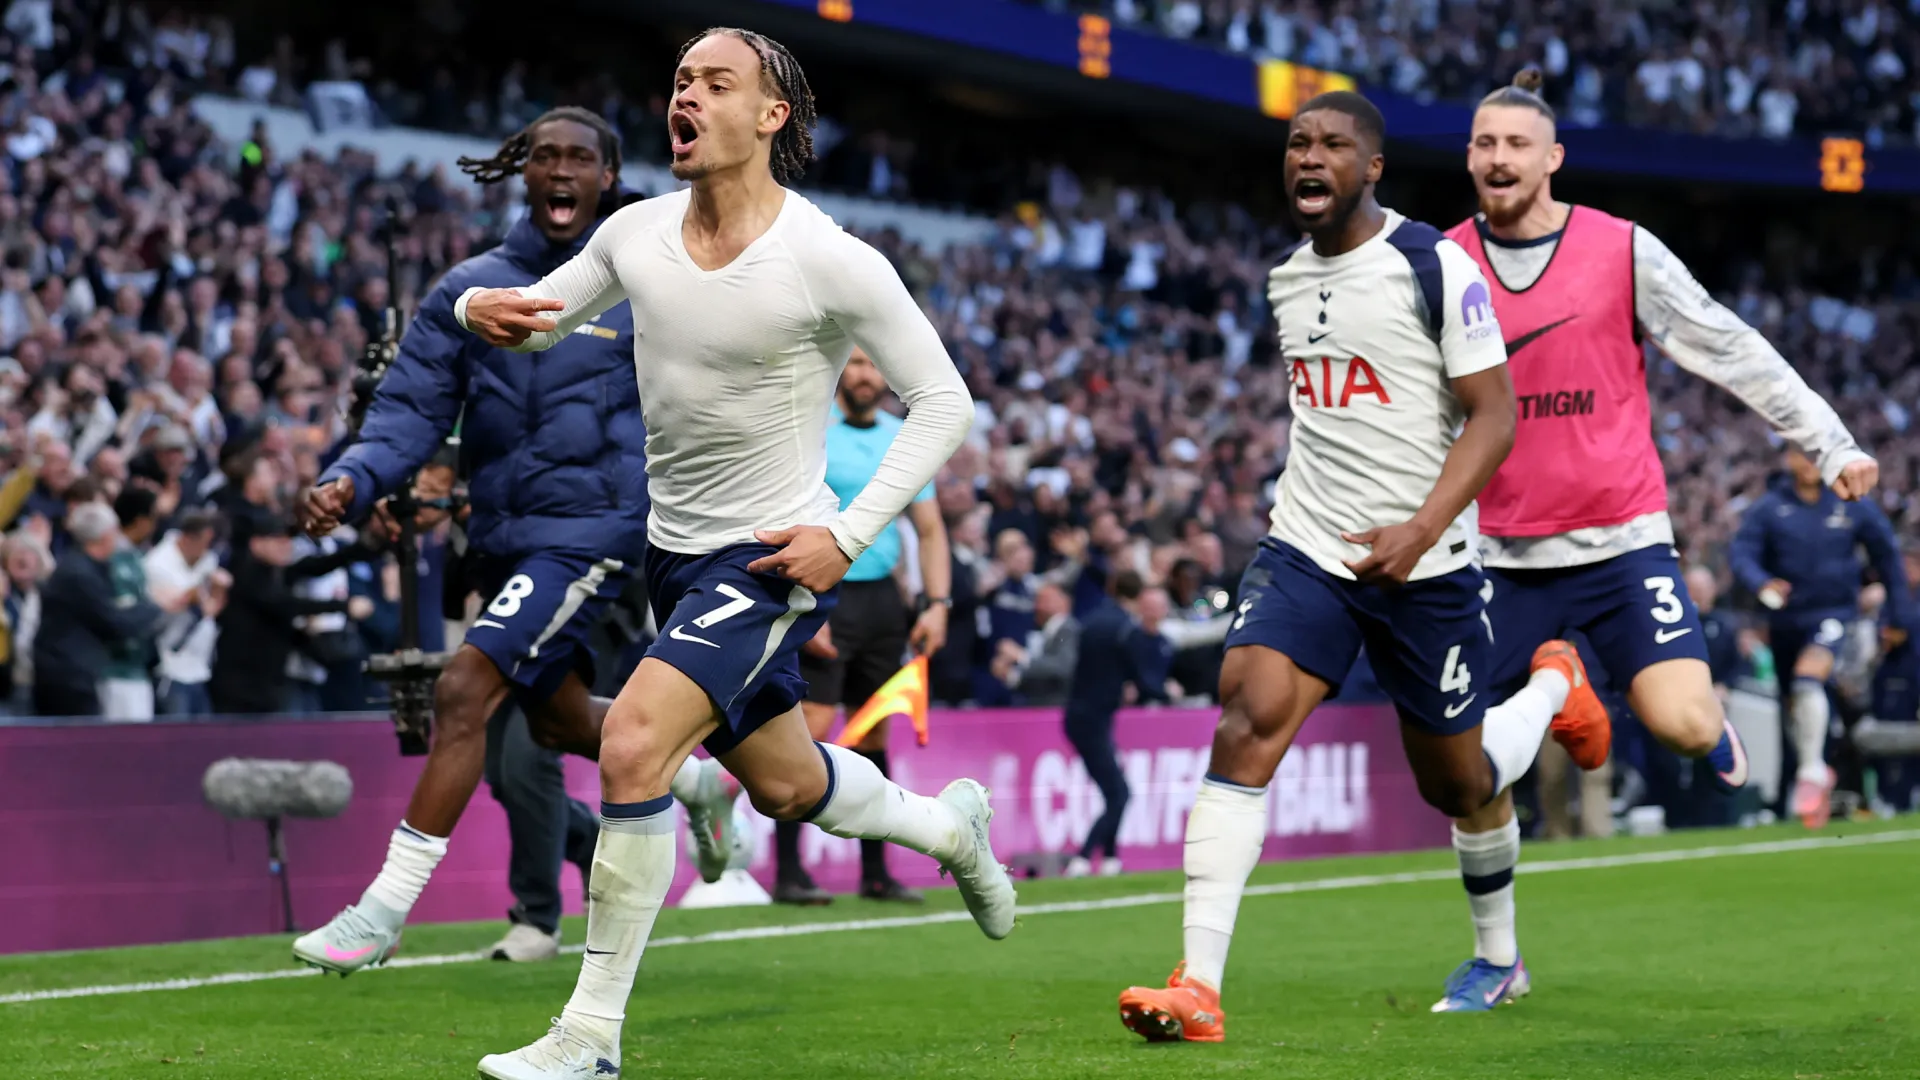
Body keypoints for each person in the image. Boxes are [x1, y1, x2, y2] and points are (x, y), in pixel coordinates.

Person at [456, 28, 1013, 1079]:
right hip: (670, 550)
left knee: (631, 751)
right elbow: (542, 322)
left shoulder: (831, 259)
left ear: (772, 119)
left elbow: (944, 403)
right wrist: (481, 312)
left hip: (763, 558)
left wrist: (846, 535)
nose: (688, 97)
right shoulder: (635, 234)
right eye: (679, 81)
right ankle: (952, 834)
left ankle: (589, 1036)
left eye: (717, 83)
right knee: (789, 788)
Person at [1115, 90, 1601, 1045]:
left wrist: (1420, 529)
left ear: (1371, 168)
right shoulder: (1285, 280)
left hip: (1430, 567)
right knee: (1246, 712)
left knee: (1458, 787)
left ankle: (1552, 691)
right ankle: (1199, 985)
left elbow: (1493, 416)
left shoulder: (1433, 264)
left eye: (1334, 144)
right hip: (1310, 548)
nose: (1311, 156)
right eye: (1298, 142)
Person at [1432, 67, 1884, 1011]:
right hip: (1500, 557)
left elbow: (1727, 344)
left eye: (1517, 144)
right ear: (1469, 156)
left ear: (1553, 158)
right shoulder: (1440, 263)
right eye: (1484, 144)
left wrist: (1827, 438)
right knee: (1464, 767)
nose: (1499, 158)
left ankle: (1622, 696)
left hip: (1622, 543)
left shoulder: (1620, 249)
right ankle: (1498, 957)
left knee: (1682, 724)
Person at [292, 106, 737, 974]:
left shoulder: (650, 281)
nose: (559, 170)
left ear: (608, 177)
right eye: (543, 157)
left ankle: (381, 913)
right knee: (564, 720)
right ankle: (696, 777)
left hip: (598, 531)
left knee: (464, 692)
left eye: (579, 158)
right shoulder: (472, 289)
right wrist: (354, 478)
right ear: (523, 172)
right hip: (501, 535)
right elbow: (411, 408)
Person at [780, 346, 953, 906]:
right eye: (854, 363)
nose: (863, 374)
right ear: (838, 370)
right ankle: (789, 871)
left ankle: (875, 874)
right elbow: (788, 512)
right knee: (811, 730)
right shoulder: (810, 428)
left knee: (875, 732)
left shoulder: (901, 435)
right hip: (823, 594)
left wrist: (937, 603)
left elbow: (929, 529)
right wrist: (800, 598)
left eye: (873, 364)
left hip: (882, 601)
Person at [1729, 447, 1912, 827]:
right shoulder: (1769, 508)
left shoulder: (1850, 503)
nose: (1809, 461)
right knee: (1796, 707)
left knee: (1807, 678)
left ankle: (1812, 773)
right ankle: (1815, 792)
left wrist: (1899, 613)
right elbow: (1742, 554)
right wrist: (1761, 582)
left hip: (1834, 615)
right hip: (1786, 622)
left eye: (1815, 453)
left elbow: (1888, 556)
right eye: (1801, 453)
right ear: (1788, 459)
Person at [1063, 573, 1172, 879]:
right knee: (1120, 794)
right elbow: (1144, 681)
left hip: (1078, 713)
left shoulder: (1094, 619)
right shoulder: (1126, 629)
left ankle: (1110, 858)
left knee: (1113, 791)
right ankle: (1083, 859)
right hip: (1095, 718)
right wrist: (1171, 694)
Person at [31, 501, 164, 717]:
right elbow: (115, 624)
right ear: (106, 535)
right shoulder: (79, 575)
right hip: (68, 678)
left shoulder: (85, 568)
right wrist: (155, 606)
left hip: (74, 672)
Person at [143, 507, 226, 716]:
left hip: (200, 667)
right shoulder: (158, 563)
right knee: (176, 741)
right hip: (171, 668)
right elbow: (173, 604)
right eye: (203, 543)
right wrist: (199, 594)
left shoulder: (206, 559)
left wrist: (217, 592)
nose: (207, 550)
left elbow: (212, 609)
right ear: (188, 538)